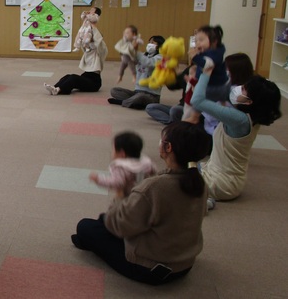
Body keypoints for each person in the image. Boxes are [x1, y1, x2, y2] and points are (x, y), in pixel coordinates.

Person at [72, 121, 211, 285]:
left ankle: (88, 241)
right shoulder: (199, 182)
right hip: (185, 263)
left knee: (86, 227)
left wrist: (120, 194)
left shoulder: (153, 187)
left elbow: (121, 226)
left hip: (150, 268)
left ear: (168, 148)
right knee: (102, 221)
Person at [190, 57, 282, 205]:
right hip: (221, 174)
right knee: (182, 165)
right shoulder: (250, 115)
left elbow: (198, 101)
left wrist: (205, 73)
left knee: (173, 183)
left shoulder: (238, 119)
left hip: (221, 183)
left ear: (249, 101)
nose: (239, 88)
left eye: (244, 88)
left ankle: (204, 201)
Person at [44, 7, 106, 95]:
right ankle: (54, 87)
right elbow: (84, 42)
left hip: (94, 83)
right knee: (68, 76)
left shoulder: (99, 50)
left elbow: (98, 39)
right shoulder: (88, 50)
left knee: (73, 78)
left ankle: (59, 90)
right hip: (86, 76)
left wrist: (93, 26)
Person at [89, 131, 156, 199]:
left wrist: (98, 179)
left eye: (113, 149)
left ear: (122, 153)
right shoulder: (146, 162)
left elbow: (117, 182)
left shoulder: (121, 167)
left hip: (128, 197)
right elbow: (154, 172)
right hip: (144, 194)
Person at [184, 25, 228, 123]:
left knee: (197, 102)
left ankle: (194, 117)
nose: (197, 43)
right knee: (220, 104)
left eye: (201, 40)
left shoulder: (214, 53)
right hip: (216, 85)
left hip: (212, 86)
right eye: (196, 41)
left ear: (214, 41)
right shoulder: (210, 51)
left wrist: (195, 57)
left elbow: (208, 64)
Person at [108, 35, 165, 109]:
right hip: (137, 91)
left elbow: (149, 63)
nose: (149, 44)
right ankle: (134, 103)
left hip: (152, 95)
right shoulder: (144, 55)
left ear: (159, 45)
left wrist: (137, 52)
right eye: (149, 42)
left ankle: (123, 102)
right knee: (114, 91)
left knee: (140, 97)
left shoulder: (161, 57)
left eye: (152, 43)